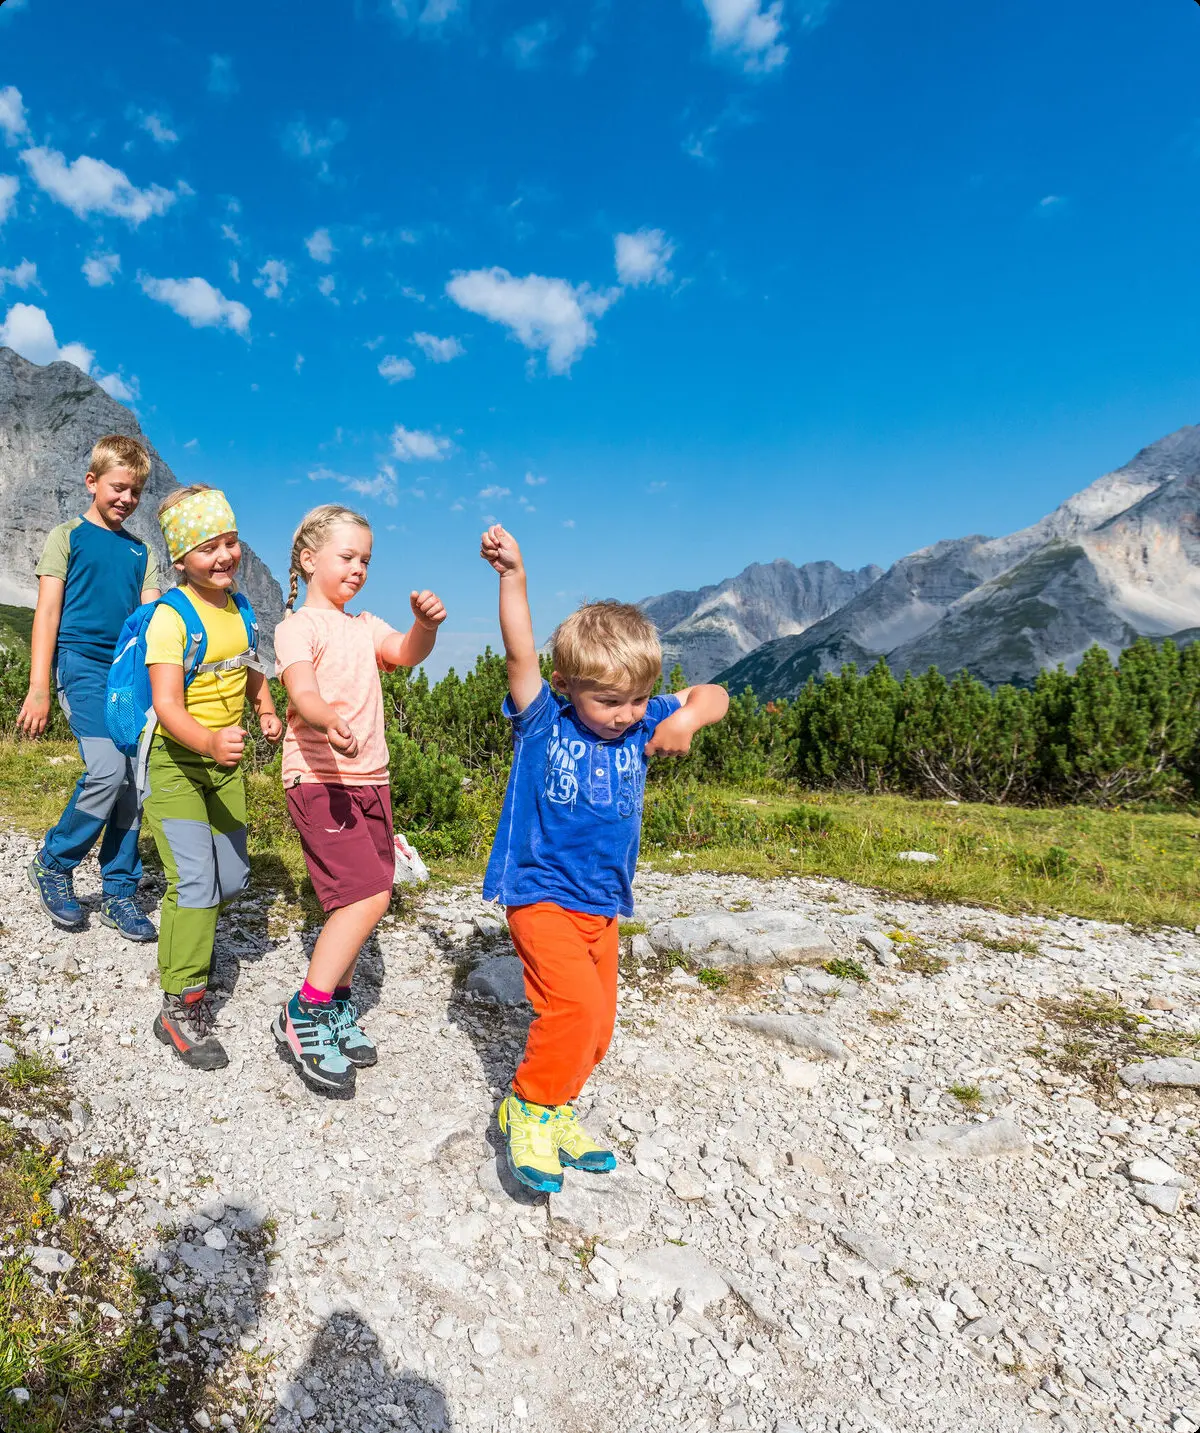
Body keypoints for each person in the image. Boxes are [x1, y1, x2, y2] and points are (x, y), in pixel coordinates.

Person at [479, 524, 730, 1192]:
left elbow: (714, 694)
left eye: (638, 699)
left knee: (598, 1031)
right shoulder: (544, 719)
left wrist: (684, 720)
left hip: (604, 902)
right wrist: (514, 575)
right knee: (574, 1010)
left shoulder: (648, 719)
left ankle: (556, 1107)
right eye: (609, 700)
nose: (625, 714)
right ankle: (527, 1108)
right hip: (541, 894)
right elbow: (516, 653)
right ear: (567, 683)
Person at [271, 504, 446, 1092]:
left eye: (366, 559)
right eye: (346, 557)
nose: (358, 568)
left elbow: (406, 652)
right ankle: (305, 1010)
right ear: (308, 559)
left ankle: (335, 1004)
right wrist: (324, 720)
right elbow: (303, 691)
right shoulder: (298, 627)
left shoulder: (363, 625)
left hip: (371, 780)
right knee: (370, 894)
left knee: (356, 898)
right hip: (320, 781)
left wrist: (427, 626)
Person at [143, 485, 282, 1070]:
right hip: (174, 763)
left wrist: (267, 708)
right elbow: (169, 705)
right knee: (196, 882)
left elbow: (247, 669)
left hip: (221, 767)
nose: (223, 555)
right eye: (206, 547)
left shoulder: (241, 609)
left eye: (228, 541)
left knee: (231, 877)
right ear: (180, 559)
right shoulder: (170, 618)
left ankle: (191, 938)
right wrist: (208, 740)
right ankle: (181, 1002)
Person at [21, 434, 162, 941]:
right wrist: (40, 686)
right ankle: (54, 862)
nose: (126, 499)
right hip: (79, 665)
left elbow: (150, 621)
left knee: (135, 781)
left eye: (135, 492)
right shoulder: (67, 536)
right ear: (92, 482)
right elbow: (47, 614)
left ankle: (119, 891)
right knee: (106, 770)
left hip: (127, 677)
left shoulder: (140, 551)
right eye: (118, 487)